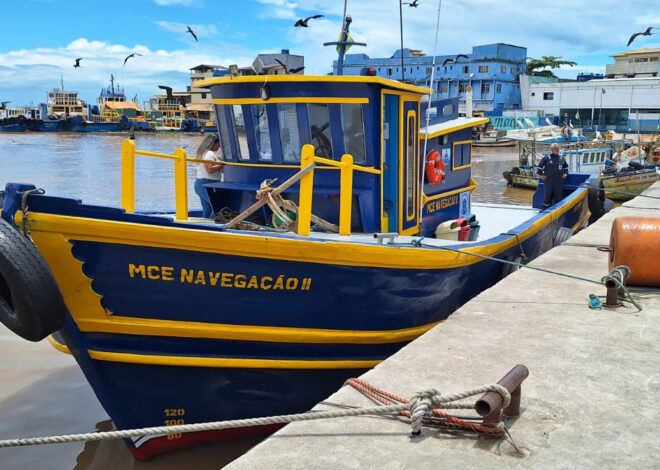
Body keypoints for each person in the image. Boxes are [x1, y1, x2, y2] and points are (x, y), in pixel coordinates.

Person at [194, 133, 223, 218]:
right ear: (214, 143)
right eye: (219, 144)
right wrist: (222, 165)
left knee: (207, 210)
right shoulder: (209, 154)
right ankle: (212, 225)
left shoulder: (204, 153)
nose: (219, 146)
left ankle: (203, 227)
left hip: (201, 184)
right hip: (206, 184)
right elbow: (209, 169)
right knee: (217, 207)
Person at [537, 143, 568, 209]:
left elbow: (566, 168)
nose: (557, 150)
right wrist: (541, 176)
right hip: (549, 182)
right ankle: (545, 211)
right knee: (547, 197)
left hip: (559, 182)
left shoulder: (562, 158)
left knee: (558, 198)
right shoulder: (546, 158)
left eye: (558, 148)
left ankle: (557, 212)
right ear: (552, 149)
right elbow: (539, 167)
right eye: (556, 148)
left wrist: (565, 174)